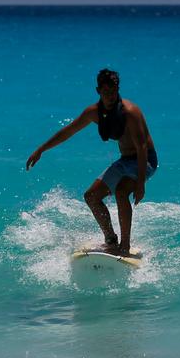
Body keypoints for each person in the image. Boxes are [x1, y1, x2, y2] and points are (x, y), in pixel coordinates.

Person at [25, 68, 157, 257]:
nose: (110, 97)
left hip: (145, 160)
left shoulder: (131, 112)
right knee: (92, 196)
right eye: (105, 93)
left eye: (113, 92)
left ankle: (125, 247)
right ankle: (111, 239)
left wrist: (141, 183)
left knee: (121, 191)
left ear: (118, 89)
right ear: (98, 91)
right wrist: (41, 149)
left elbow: (142, 147)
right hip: (125, 161)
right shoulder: (93, 112)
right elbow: (68, 132)